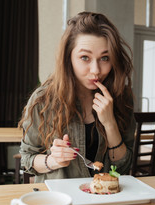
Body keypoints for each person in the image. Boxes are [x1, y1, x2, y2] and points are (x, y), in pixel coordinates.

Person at [18, 11, 135, 183]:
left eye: (104, 58)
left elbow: (123, 167)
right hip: (60, 201)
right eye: (85, 57)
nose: (95, 70)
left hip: (104, 198)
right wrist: (53, 160)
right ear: (68, 58)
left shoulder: (121, 96)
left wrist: (110, 123)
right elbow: (27, 159)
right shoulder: (43, 100)